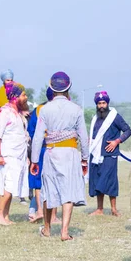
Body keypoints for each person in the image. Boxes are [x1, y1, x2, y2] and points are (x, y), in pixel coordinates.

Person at [31, 72, 89, 240]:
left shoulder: (45, 109)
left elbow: (37, 137)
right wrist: (84, 158)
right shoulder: (76, 109)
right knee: (68, 191)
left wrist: (34, 160)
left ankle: (47, 229)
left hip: (50, 151)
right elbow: (83, 137)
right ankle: (64, 232)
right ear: (68, 87)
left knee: (48, 191)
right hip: (70, 153)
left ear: (51, 88)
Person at [0, 81, 30, 225]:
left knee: (13, 187)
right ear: (15, 96)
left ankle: (6, 215)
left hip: (19, 155)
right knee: (9, 186)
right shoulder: (3, 112)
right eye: (23, 95)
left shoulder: (17, 113)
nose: (26, 97)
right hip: (8, 155)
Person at [88, 91, 131, 217]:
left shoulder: (115, 117)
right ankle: (99, 209)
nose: (101, 105)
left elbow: (128, 130)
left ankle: (113, 209)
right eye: (99, 103)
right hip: (95, 155)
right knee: (97, 181)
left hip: (109, 154)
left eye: (104, 103)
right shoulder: (95, 118)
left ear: (107, 103)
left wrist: (117, 141)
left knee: (110, 181)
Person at [27, 87, 59, 223]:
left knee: (38, 182)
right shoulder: (61, 110)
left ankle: (40, 211)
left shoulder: (38, 110)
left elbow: (31, 131)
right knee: (55, 181)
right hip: (55, 148)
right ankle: (53, 216)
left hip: (40, 148)